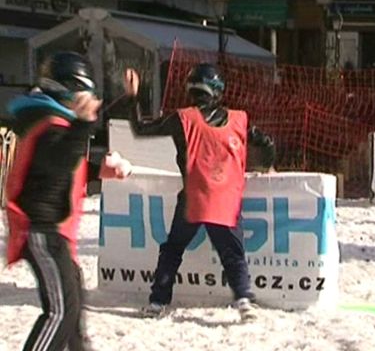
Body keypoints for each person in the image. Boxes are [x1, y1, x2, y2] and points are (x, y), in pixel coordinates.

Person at [123, 63, 275, 321]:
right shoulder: (239, 119)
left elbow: (140, 129)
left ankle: (158, 301)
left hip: (193, 199)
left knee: (172, 250)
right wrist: (269, 166)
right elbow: (266, 142)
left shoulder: (180, 119)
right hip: (225, 201)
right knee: (233, 255)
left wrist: (132, 97)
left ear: (190, 90)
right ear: (218, 91)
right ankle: (244, 300)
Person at [4, 52, 128, 351]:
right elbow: (57, 161)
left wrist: (102, 170)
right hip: (41, 230)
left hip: (55, 231)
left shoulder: (56, 125)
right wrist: (84, 125)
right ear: (68, 88)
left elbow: (64, 170)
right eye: (84, 95)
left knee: (72, 314)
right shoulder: (47, 123)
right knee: (60, 313)